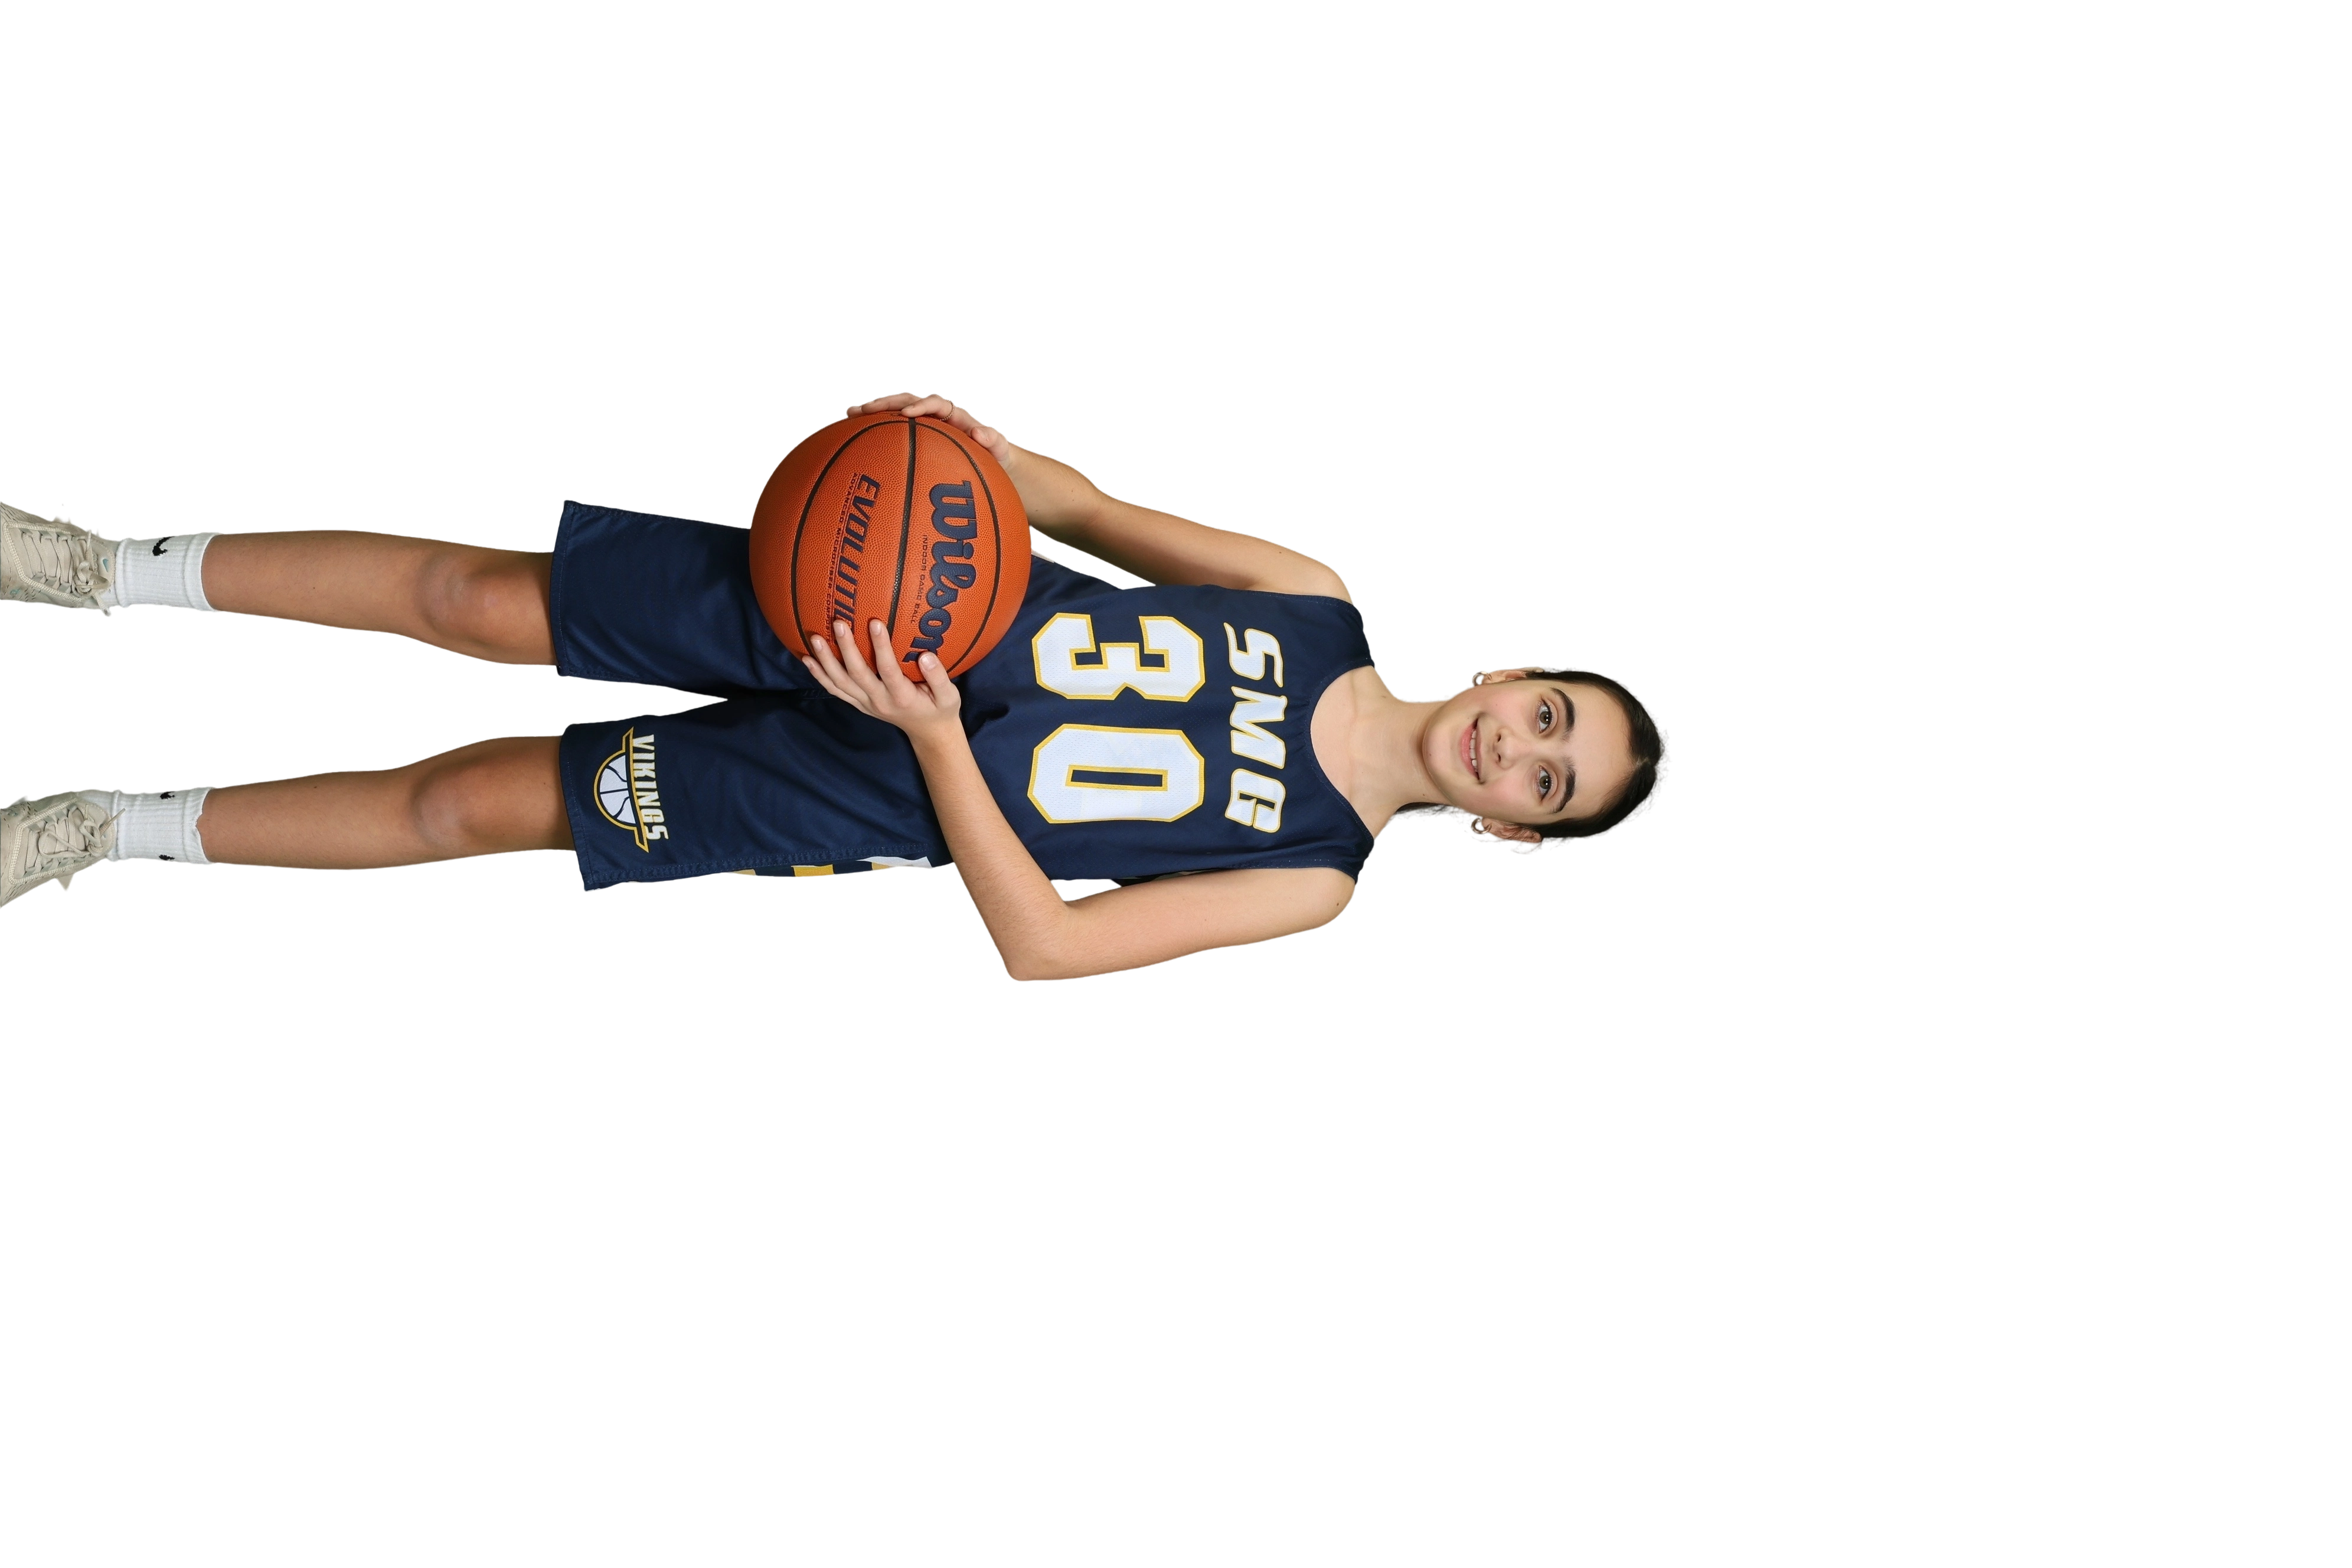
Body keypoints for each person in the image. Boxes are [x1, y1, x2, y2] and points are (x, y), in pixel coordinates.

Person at [0, 392, 1674, 978]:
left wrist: (935, 740)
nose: (1517, 748)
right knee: (475, 598)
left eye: (1548, 782)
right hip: (864, 599)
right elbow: (1088, 517)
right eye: (1551, 716)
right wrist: (962, 446)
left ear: (1511, 836)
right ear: (1514, 671)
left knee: (465, 810)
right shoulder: (1317, 603)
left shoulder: (1315, 879)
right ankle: (96, 567)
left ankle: (109, 827)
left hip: (870, 780)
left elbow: (1051, 947)